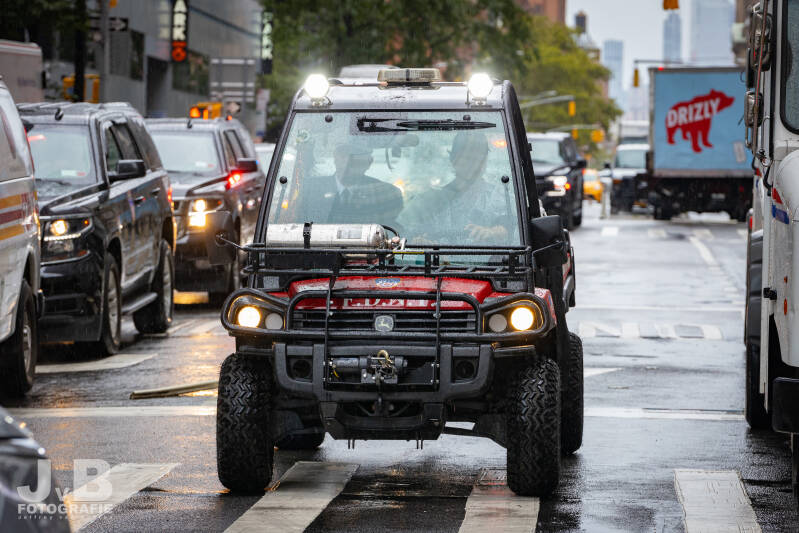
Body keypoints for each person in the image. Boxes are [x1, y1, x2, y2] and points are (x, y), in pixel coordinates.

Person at [403, 131, 515, 244]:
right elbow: (408, 235)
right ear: (453, 159)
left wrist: (493, 232)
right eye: (468, 158)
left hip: (494, 261)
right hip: (437, 261)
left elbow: (510, 227)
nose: (474, 164)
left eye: (479, 158)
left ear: (485, 161)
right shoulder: (430, 201)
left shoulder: (501, 199)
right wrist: (420, 242)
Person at [294, 143, 403, 226]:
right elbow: (296, 228)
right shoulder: (311, 190)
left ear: (369, 162)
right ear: (335, 158)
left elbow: (393, 233)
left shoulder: (386, 194)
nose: (349, 161)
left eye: (356, 155)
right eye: (344, 154)